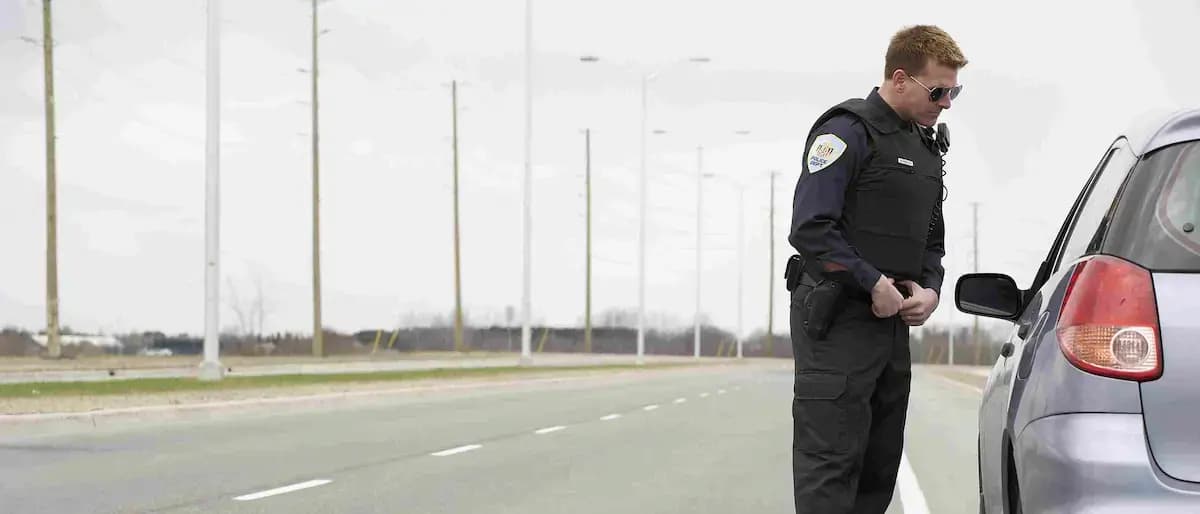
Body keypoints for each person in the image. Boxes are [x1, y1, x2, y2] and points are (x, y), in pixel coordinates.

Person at [786, 25, 967, 513]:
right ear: (901, 78)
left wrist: (930, 289)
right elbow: (810, 228)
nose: (947, 103)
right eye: (939, 91)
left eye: (954, 92)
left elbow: (932, 243)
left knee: (878, 466)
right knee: (831, 464)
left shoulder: (925, 148)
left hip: (891, 326)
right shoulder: (847, 132)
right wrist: (870, 282)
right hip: (836, 320)